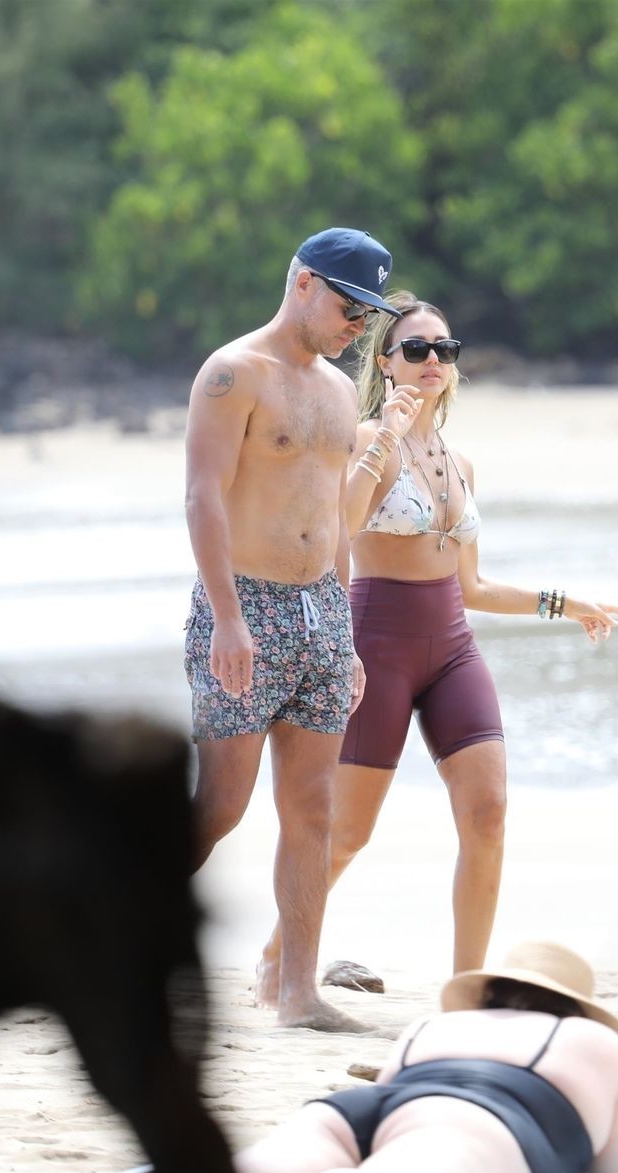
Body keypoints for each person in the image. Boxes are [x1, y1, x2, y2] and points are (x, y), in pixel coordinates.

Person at [257, 293, 618, 994]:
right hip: (376, 645)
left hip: (453, 648)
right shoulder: (362, 439)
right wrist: (387, 440)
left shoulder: (461, 464)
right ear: (386, 363)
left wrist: (563, 603)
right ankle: (278, 952)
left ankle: (468, 986)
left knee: (488, 813)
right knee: (348, 831)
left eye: (445, 349)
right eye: (418, 349)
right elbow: (337, 531)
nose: (433, 360)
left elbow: (473, 586)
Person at [14, 942, 618, 1173]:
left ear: (489, 993)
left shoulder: (434, 1025)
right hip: (479, 1122)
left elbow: (388, 1102)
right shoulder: (593, 1042)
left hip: (363, 1110)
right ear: (575, 1007)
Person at [183, 227, 400, 1032]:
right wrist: (226, 620)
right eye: (349, 308)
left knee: (314, 809)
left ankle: (298, 995)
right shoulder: (233, 373)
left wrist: (344, 634)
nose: (358, 327)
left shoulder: (340, 392)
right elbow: (203, 497)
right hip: (243, 606)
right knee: (221, 805)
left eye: (368, 315)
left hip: (320, 614)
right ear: (304, 284)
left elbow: (332, 516)